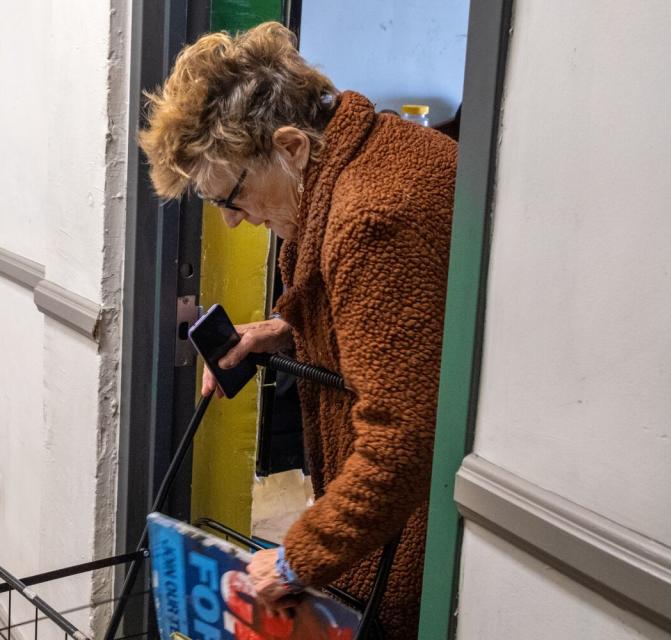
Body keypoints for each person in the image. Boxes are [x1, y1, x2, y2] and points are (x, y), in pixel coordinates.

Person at [139, 22, 456, 640]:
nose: (232, 222)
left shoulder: (374, 216)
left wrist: (295, 558)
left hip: (414, 532)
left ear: (292, 147)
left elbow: (405, 440)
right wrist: (282, 329)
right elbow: (404, 319)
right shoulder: (371, 147)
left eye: (230, 197)